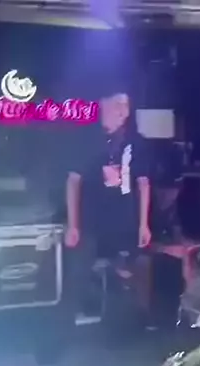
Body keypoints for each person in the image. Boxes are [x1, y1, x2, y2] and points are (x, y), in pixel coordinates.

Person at [63, 90, 152, 329]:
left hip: (125, 219)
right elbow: (73, 181)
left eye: (125, 106)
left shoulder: (135, 142)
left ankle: (137, 318)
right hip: (92, 218)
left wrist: (144, 224)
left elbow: (144, 183)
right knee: (81, 261)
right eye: (117, 105)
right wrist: (73, 224)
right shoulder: (86, 139)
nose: (122, 111)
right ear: (103, 105)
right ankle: (81, 312)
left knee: (134, 265)